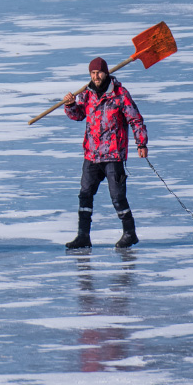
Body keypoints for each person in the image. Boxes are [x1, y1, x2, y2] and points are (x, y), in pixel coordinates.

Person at [62, 57, 148, 249]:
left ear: (106, 73)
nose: (96, 76)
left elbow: (135, 120)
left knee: (117, 197)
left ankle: (130, 233)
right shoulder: (86, 94)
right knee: (85, 195)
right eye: (93, 73)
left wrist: (141, 143)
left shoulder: (120, 94)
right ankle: (83, 236)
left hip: (113, 155)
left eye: (99, 73)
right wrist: (70, 105)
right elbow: (79, 115)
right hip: (91, 155)